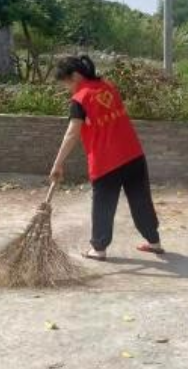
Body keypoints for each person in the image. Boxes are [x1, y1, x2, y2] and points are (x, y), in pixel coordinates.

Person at [49, 54, 164, 261]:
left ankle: (99, 249)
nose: (67, 88)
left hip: (106, 162)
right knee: (141, 200)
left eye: (66, 83)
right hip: (133, 154)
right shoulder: (109, 86)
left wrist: (58, 164)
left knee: (103, 205)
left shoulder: (80, 99)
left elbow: (72, 133)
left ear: (75, 76)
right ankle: (154, 242)